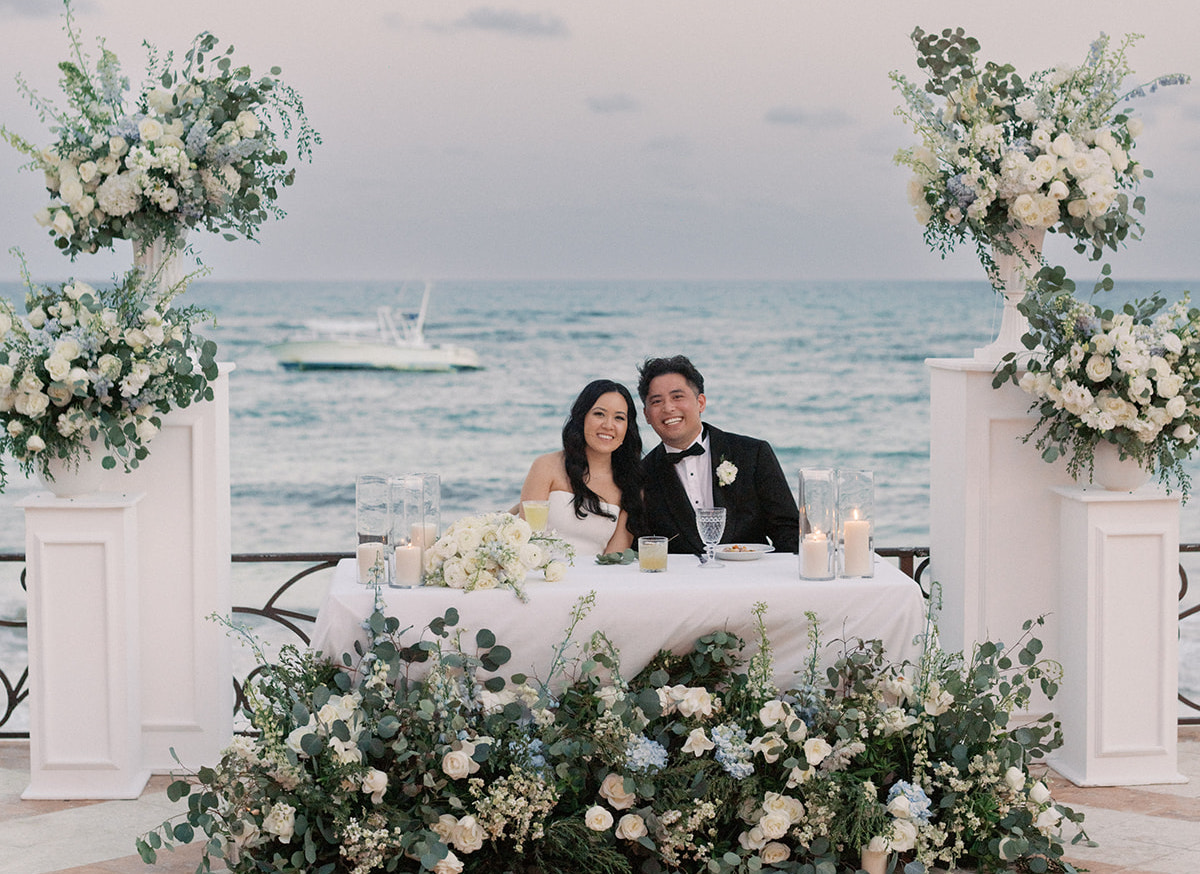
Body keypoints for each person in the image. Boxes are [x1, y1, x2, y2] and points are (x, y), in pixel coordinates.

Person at [638, 355, 799, 554]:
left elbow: (789, 532)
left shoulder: (752, 454)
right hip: (682, 583)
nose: (668, 408)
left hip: (750, 578)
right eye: (656, 401)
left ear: (701, 403)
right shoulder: (642, 475)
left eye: (677, 397)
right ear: (646, 415)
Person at [517, 379, 644, 556]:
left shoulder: (631, 484)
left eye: (619, 418)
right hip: (539, 577)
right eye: (599, 414)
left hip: (596, 581)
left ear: (627, 428)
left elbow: (614, 558)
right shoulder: (546, 466)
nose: (608, 425)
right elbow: (525, 540)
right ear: (582, 417)